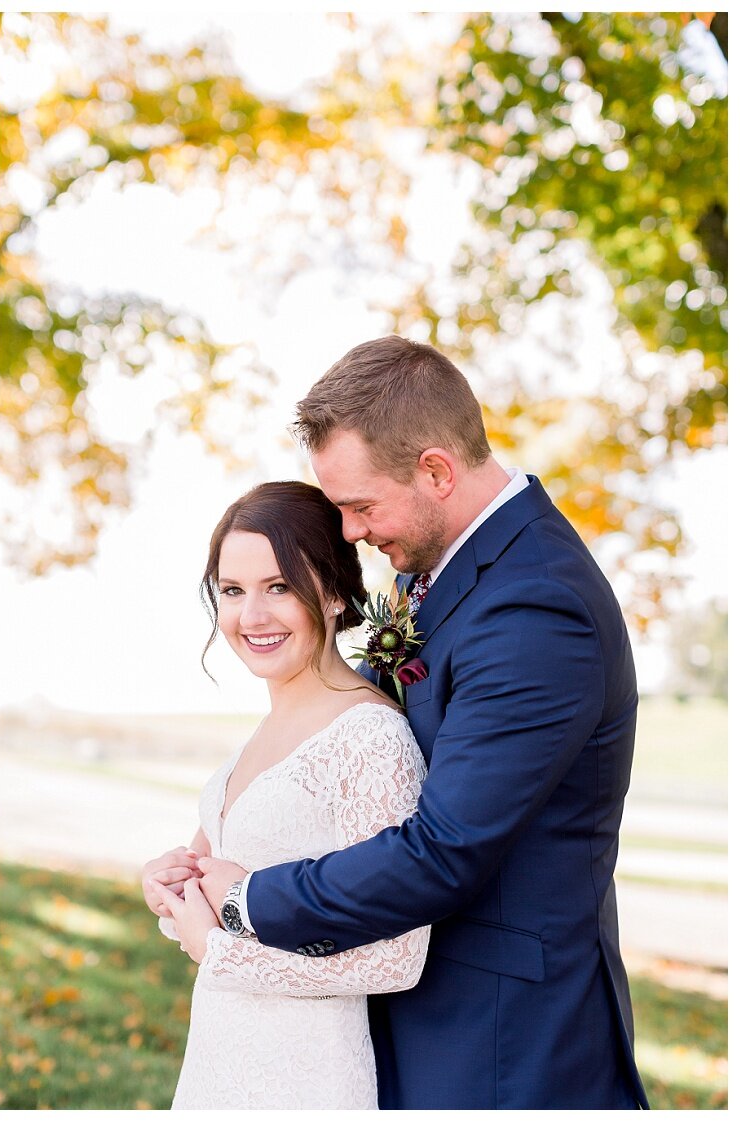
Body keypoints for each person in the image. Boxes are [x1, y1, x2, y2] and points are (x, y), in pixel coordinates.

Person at [195, 336, 649, 1109]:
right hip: (413, 1019)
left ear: (436, 470)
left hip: (504, 1043)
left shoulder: (535, 606)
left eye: (359, 506)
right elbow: (350, 727)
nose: (347, 533)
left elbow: (444, 851)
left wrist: (249, 901)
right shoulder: (437, 569)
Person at [143, 480, 430, 1110]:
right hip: (222, 1055)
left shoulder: (370, 740)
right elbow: (213, 878)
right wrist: (167, 886)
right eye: (233, 591)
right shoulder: (266, 729)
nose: (252, 617)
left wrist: (219, 955)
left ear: (329, 592)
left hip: (305, 1073)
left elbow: (397, 961)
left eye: (278, 587)